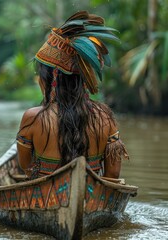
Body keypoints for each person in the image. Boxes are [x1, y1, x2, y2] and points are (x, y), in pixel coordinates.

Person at [16, 11, 129, 180]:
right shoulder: (105, 117)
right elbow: (112, 176)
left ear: (50, 79)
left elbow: (27, 170)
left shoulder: (32, 118)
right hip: (93, 203)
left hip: (46, 201)